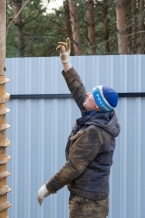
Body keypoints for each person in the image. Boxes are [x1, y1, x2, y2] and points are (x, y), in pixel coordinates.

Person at [37, 38, 121, 218]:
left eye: (93, 95)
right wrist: (66, 62)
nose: (88, 93)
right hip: (90, 197)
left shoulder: (94, 132)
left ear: (97, 105)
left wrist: (48, 188)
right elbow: (79, 90)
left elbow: (75, 166)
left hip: (88, 204)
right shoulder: (99, 116)